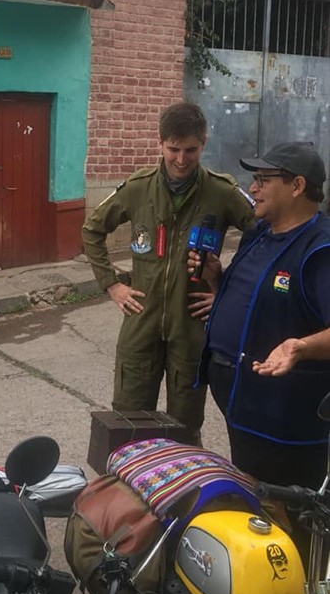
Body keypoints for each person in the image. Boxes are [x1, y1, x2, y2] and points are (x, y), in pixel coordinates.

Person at [82, 103, 255, 443]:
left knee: (185, 426)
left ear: (203, 143)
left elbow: (262, 236)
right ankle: (128, 490)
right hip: (141, 320)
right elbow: (92, 230)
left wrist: (224, 289)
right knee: (128, 421)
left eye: (190, 149)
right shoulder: (138, 188)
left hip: (191, 325)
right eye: (173, 149)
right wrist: (112, 284)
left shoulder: (221, 192)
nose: (180, 159)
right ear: (159, 143)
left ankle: (180, 492)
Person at [191, 142, 330, 490]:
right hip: (242, 400)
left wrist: (300, 347)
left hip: (284, 414)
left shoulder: (320, 249)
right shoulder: (258, 233)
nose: (252, 188)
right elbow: (255, 297)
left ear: (296, 186)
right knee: (253, 487)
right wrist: (215, 278)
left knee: (286, 506)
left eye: (263, 179)